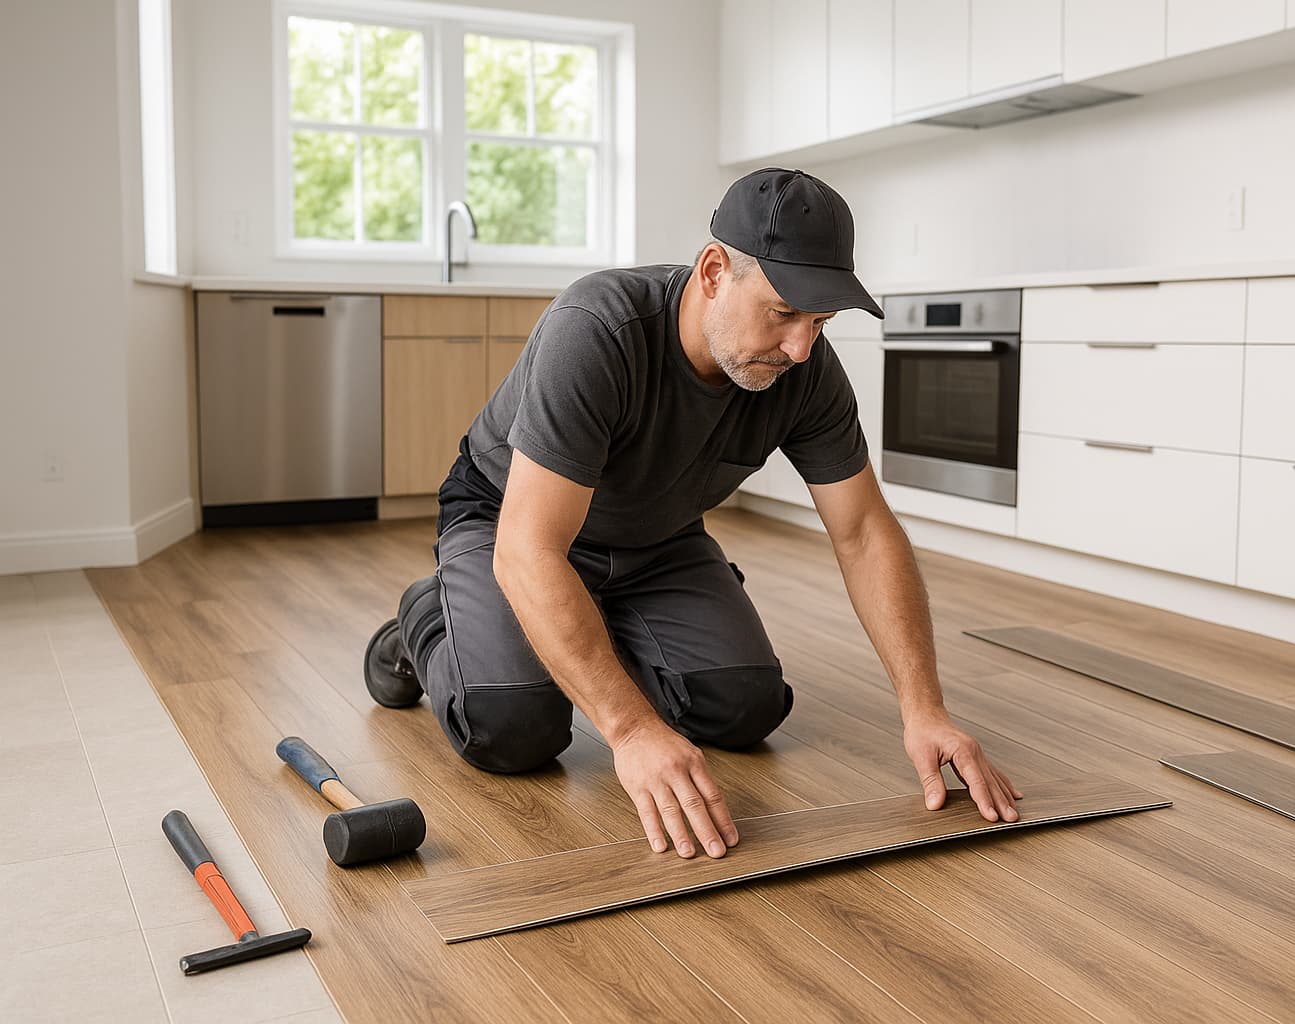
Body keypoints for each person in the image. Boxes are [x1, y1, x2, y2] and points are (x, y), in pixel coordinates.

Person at [364, 167, 1023, 861]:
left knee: (744, 707)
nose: (801, 347)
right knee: (513, 727)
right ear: (713, 272)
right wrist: (630, 730)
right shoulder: (597, 329)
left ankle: (586, 622)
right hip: (511, 525)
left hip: (657, 536)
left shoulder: (804, 368)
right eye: (783, 313)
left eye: (820, 322)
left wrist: (924, 710)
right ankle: (431, 620)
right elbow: (529, 550)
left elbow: (862, 531)